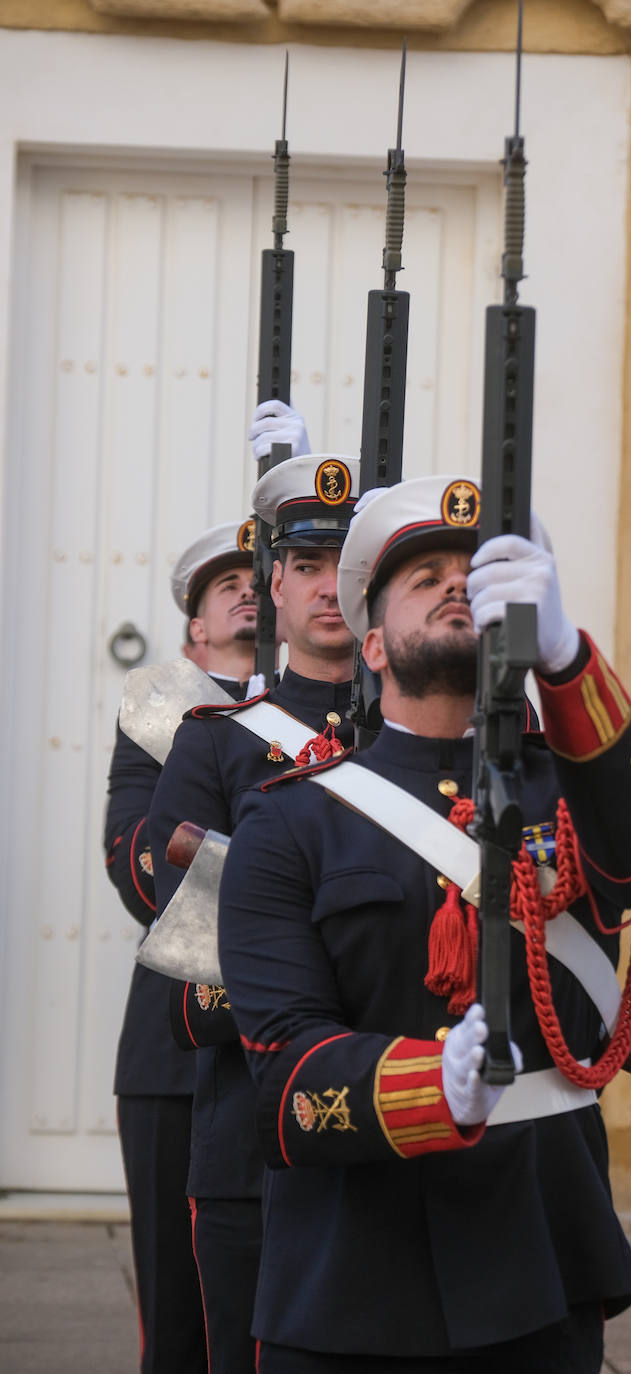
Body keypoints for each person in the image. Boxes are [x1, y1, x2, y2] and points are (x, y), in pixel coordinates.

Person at [217, 474, 631, 1372]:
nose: (453, 582)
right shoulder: (291, 821)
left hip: (538, 1253)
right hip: (352, 1272)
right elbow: (284, 1078)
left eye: (474, 571)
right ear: (371, 644)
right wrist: (431, 1083)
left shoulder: (573, 791)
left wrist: (565, 659)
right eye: (423, 573)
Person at [147, 452, 360, 1374]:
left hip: (388, 1141)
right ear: (273, 582)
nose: (327, 590)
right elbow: (199, 972)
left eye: (346, 569)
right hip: (252, 1136)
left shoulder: (425, 742)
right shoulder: (216, 746)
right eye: (307, 567)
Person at [105, 519, 262, 1374]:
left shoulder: (338, 709)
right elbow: (138, 868)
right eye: (222, 583)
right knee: (177, 1310)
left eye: (259, 575)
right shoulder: (155, 711)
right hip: (176, 1048)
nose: (247, 589)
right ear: (193, 627)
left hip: (303, 1039)